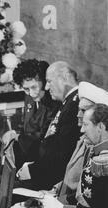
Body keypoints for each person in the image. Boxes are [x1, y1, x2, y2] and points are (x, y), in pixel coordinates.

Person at [16, 61, 81, 190]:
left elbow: (62, 155)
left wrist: (32, 170)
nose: (46, 87)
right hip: (43, 169)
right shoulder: (67, 102)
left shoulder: (73, 106)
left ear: (65, 77)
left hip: (54, 181)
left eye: (50, 81)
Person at [11, 59, 60, 168]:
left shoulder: (54, 103)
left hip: (40, 161)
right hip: (24, 155)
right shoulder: (29, 96)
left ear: (44, 82)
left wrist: (17, 137)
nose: (31, 93)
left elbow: (43, 137)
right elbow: (26, 125)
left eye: (34, 87)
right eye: (26, 89)